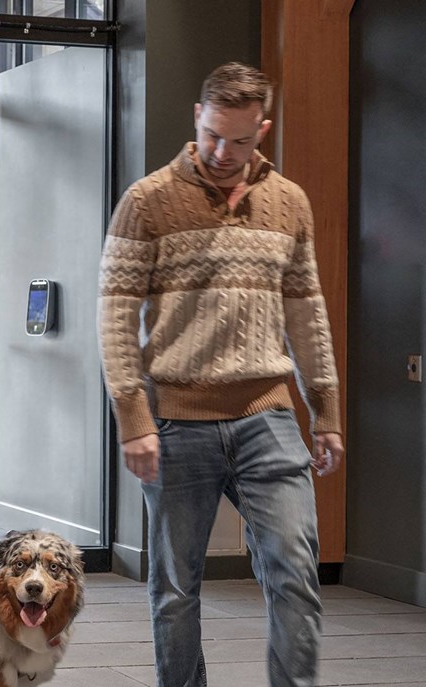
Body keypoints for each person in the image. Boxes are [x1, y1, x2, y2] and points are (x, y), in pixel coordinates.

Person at [97, 62, 344, 687]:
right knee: (176, 589)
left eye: (239, 139)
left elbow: (307, 313)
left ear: (262, 128)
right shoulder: (147, 202)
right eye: (212, 135)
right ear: (197, 119)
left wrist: (327, 411)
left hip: (269, 415)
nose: (222, 152)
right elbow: (116, 318)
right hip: (177, 423)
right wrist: (134, 420)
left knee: (294, 574)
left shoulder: (289, 203)